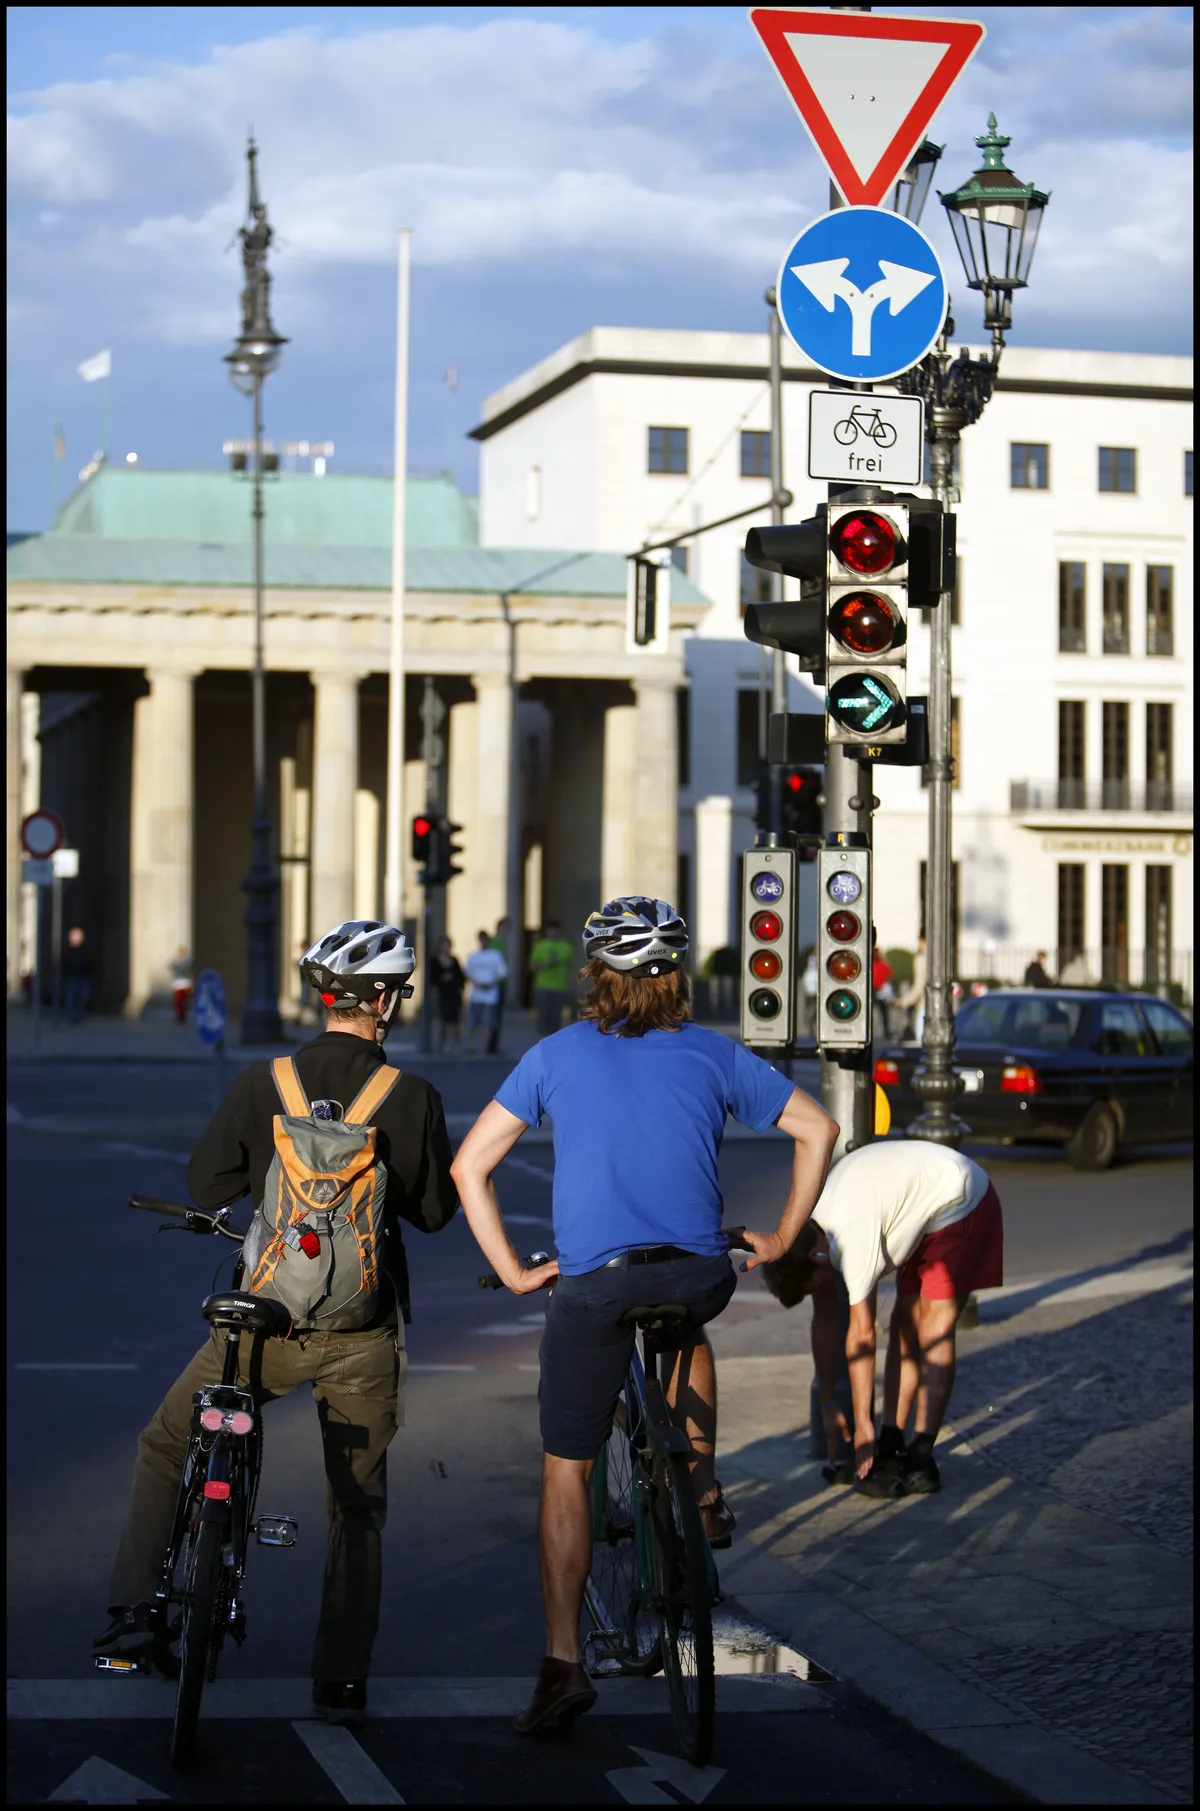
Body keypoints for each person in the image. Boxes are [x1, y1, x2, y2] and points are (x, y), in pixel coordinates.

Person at [451, 896, 838, 1737]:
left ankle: (562, 1666)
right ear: (677, 979)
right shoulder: (717, 1053)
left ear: (598, 977)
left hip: (594, 1285)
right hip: (699, 1272)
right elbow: (820, 1127)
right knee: (685, 1325)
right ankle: (701, 1488)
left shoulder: (553, 1055)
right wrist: (781, 1235)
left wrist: (516, 1271)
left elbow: (468, 1166)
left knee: (569, 1467)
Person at [93, 920, 459, 1722]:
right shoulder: (413, 1095)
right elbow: (435, 1212)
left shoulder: (266, 1082)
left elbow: (206, 1180)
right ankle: (341, 1676)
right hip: (359, 1335)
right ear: (388, 1001)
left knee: (166, 1441)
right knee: (355, 1503)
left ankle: (136, 1611)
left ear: (321, 997)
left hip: (258, 1330)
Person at [764, 1141, 1002, 1499]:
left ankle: (922, 1455)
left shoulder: (848, 1238)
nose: (829, 1293)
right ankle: (891, 1442)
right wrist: (829, 1405)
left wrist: (862, 1426)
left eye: (819, 1286)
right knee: (904, 1323)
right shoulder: (813, 1231)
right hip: (922, 1204)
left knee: (933, 1326)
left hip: (961, 1197)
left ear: (816, 1256)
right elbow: (826, 1324)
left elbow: (862, 1335)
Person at [528, 918, 576, 1039]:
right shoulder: (540, 945)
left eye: (555, 930)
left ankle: (554, 1041)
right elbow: (532, 966)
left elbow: (569, 965)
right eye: (550, 930)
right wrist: (544, 965)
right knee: (543, 1016)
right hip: (542, 986)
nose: (552, 933)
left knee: (556, 1017)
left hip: (559, 987)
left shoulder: (565, 946)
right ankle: (542, 1041)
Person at [464, 929, 508, 1055]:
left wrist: (491, 983)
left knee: (489, 1023)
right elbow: (468, 972)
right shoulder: (473, 955)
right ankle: (472, 1046)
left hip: (490, 995)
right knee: (473, 1023)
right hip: (476, 995)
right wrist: (477, 983)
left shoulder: (495, 955)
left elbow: (502, 973)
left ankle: (485, 1047)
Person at [429, 935, 465, 1052]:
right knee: (443, 1019)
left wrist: (458, 985)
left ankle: (455, 1045)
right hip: (442, 992)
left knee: (455, 1020)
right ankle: (442, 1044)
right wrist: (442, 979)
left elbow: (461, 976)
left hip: (453, 992)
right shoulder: (435, 961)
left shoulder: (454, 960)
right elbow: (432, 978)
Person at [486, 917, 511, 1056]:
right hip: (493, 983)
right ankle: (490, 1044)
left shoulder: (504, 943)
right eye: (505, 928)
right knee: (493, 1014)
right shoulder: (494, 943)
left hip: (501, 982)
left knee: (498, 1014)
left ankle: (494, 1043)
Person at [895, 935, 926, 1043]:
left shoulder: (921, 959)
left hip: (924, 1003)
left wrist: (904, 1001)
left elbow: (920, 985)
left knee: (921, 1041)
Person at [61, 926, 91, 1023]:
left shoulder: (84, 950)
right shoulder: (68, 950)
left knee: (83, 995)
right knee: (71, 996)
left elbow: (89, 962)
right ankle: (71, 1016)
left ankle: (78, 1015)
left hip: (82, 975)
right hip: (72, 976)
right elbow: (64, 963)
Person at [872, 946, 895, 1041]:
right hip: (875, 990)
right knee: (881, 1012)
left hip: (879, 990)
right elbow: (890, 974)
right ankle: (884, 1031)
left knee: (882, 1012)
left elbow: (889, 974)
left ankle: (885, 1031)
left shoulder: (878, 964)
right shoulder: (879, 963)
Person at [171, 947, 193, 1026]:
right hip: (178, 984)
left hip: (185, 984)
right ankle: (179, 1016)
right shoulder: (176, 962)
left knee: (184, 1002)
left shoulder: (187, 962)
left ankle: (183, 1016)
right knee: (178, 1002)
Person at [801, 949, 819, 1038]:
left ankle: (814, 1030)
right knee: (809, 1014)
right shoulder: (811, 964)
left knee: (814, 1013)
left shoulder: (814, 968)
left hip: (815, 992)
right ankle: (812, 1030)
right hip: (810, 991)